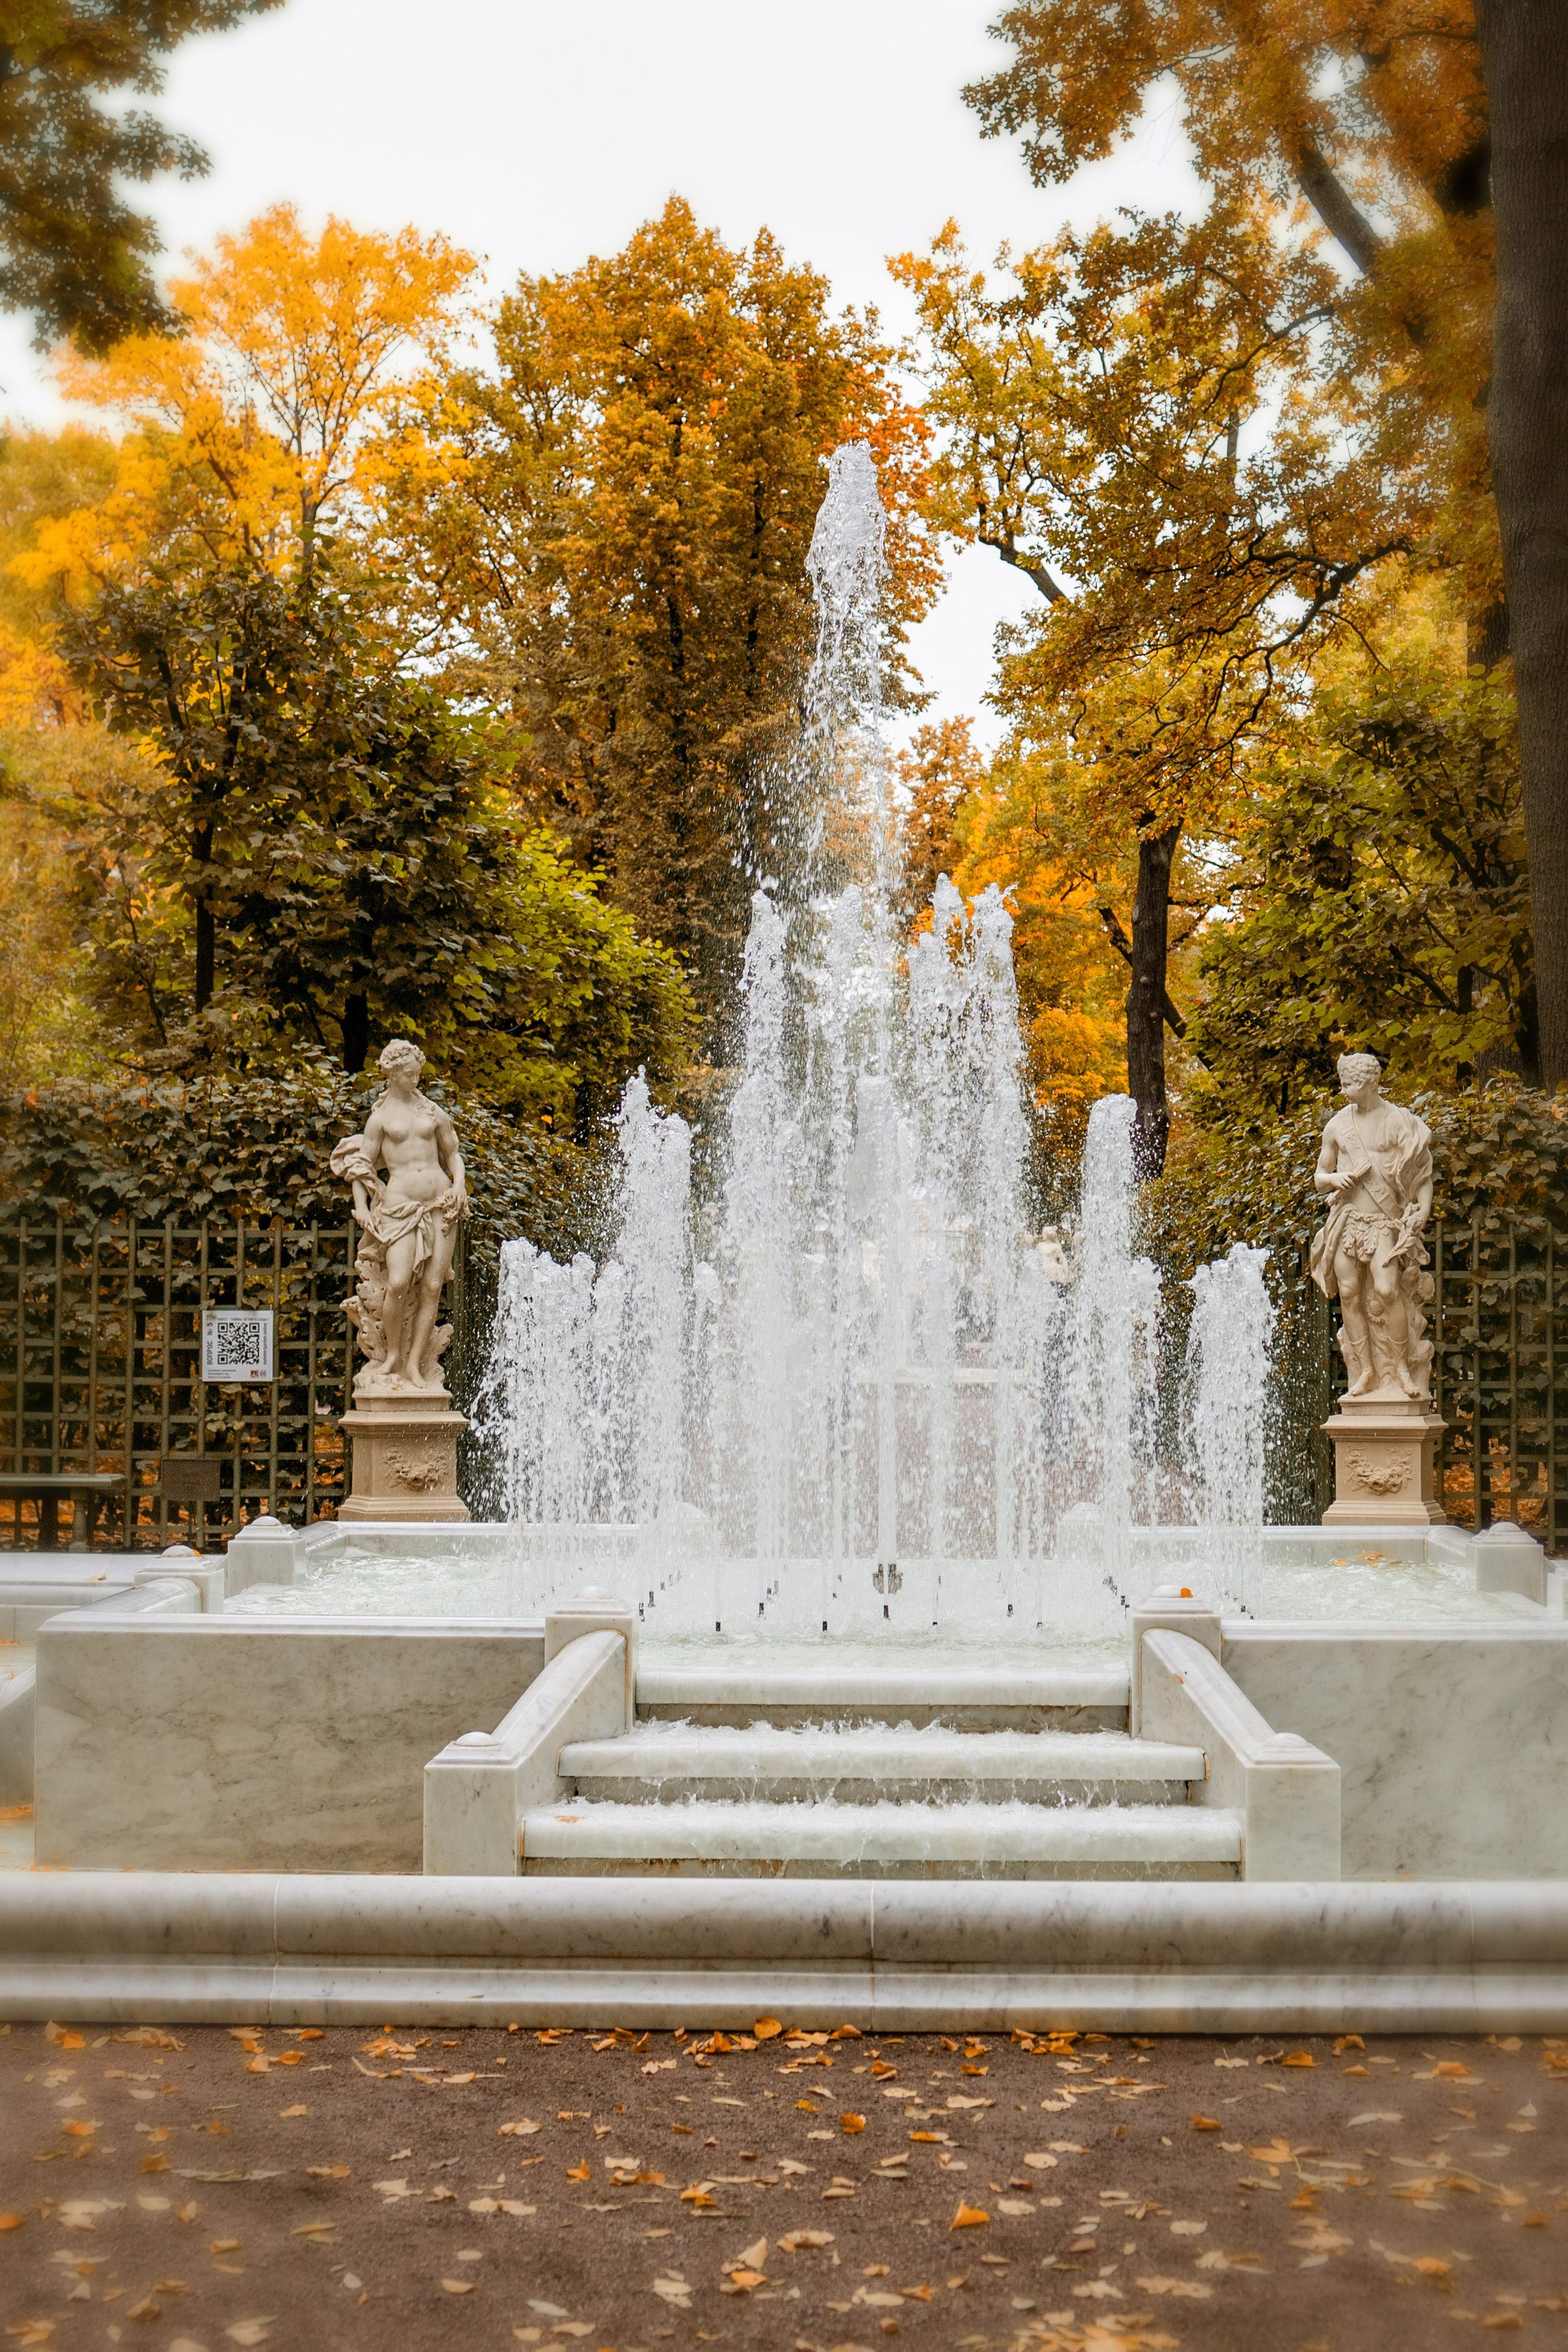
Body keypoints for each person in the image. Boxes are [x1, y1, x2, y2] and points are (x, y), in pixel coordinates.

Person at [330, 1040, 468, 1390]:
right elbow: (360, 1165)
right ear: (392, 1074)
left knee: (433, 1286)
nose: (416, 1079)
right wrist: (361, 1207)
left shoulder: (432, 1112)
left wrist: (460, 1184)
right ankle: (392, 1356)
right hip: (399, 1206)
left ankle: (414, 1364)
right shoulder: (380, 1119)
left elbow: (452, 1154)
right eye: (410, 1074)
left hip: (441, 1203)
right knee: (398, 1282)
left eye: (418, 1073)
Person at [1309, 1051, 1434, 1400]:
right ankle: (1365, 1371)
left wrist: (1422, 1209)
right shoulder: (1337, 1126)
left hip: (1383, 1222)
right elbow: (1320, 1178)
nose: (1344, 1090)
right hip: (1347, 1222)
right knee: (1348, 1294)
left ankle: (1402, 1370)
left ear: (1368, 1083)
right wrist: (1336, 1179)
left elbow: (1423, 1174)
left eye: (1349, 1084)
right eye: (1343, 1082)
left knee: (1388, 1289)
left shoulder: (1397, 1121)